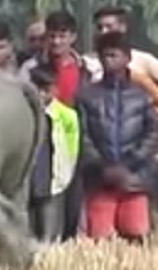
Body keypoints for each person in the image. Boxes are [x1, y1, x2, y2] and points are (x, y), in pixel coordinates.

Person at [76, 31, 158, 242]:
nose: (108, 61)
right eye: (104, 56)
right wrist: (104, 168)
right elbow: (83, 136)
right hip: (100, 179)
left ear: (127, 58)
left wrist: (128, 165)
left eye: (114, 55)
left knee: (137, 234)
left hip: (134, 179)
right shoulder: (87, 96)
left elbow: (152, 134)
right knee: (101, 238)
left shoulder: (141, 97)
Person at [27, 68, 80, 243]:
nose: (41, 94)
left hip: (53, 174)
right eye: (37, 89)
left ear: (55, 89)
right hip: (28, 174)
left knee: (50, 225)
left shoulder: (67, 115)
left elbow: (73, 147)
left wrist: (67, 171)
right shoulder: (23, 113)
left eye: (46, 89)